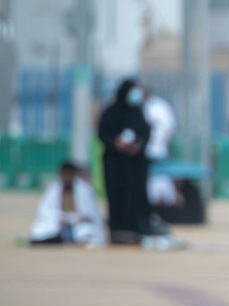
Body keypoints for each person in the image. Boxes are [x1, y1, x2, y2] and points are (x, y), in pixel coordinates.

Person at [97, 79, 152, 244]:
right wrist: (116, 143)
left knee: (135, 197)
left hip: (135, 165)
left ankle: (136, 229)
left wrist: (137, 146)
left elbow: (145, 134)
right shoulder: (110, 112)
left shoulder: (138, 113)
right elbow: (102, 134)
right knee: (116, 196)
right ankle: (117, 230)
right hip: (115, 164)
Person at [29, 162, 106, 246]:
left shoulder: (85, 189)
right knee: (39, 230)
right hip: (58, 224)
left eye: (69, 174)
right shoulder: (53, 189)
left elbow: (92, 212)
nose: (67, 177)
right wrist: (60, 218)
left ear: (74, 175)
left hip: (79, 225)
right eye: (65, 174)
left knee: (87, 232)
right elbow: (44, 210)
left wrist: (80, 218)